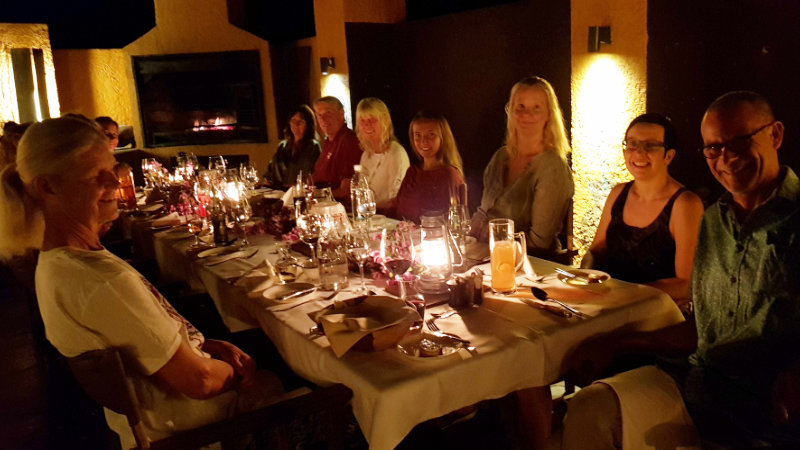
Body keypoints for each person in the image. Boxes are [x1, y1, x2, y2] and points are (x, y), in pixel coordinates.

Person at [0, 116, 284, 449]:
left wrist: (203, 345)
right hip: (199, 431)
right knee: (294, 362)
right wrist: (235, 373)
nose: (114, 181)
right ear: (47, 187)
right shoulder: (97, 281)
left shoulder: (63, 264)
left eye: (111, 168)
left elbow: (143, 341)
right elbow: (201, 381)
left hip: (163, 418)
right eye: (94, 175)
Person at [562, 91, 800, 448]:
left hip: (768, 411)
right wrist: (615, 343)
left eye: (739, 141)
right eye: (714, 148)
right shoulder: (715, 221)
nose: (726, 158)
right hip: (699, 385)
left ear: (776, 135)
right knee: (591, 407)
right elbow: (700, 329)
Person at [582, 114, 704, 302]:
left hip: (656, 312)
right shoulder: (618, 193)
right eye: (632, 145)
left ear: (669, 156)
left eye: (650, 146)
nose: (639, 153)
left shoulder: (685, 204)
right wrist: (584, 275)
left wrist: (624, 293)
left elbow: (685, 284)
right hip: (609, 303)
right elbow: (596, 250)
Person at [470, 76, 574, 258]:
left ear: (549, 114)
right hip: (484, 258)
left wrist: (490, 254)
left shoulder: (552, 167)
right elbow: (482, 213)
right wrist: (465, 243)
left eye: (536, 108)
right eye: (521, 107)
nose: (526, 115)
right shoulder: (501, 156)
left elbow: (539, 243)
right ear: (510, 110)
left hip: (528, 264)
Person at [388, 110, 464, 223]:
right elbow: (395, 208)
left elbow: (452, 221)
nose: (423, 140)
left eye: (431, 135)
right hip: (401, 232)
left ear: (443, 138)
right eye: (418, 135)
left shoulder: (448, 175)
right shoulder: (412, 172)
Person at [354, 97, 409, 204]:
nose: (367, 125)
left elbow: (396, 202)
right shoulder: (366, 155)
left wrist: (369, 207)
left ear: (385, 121)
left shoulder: (396, 154)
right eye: (362, 121)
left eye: (372, 120)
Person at [312, 96, 362, 201]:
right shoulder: (328, 142)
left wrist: (315, 196)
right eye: (319, 115)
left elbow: (346, 191)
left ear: (341, 114)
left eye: (328, 113)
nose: (323, 119)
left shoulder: (349, 141)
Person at [263, 105, 321, 188]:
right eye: (293, 121)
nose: (296, 125)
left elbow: (309, 177)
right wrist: (267, 181)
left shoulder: (313, 147)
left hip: (299, 192)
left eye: (300, 122)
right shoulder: (282, 146)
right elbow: (270, 172)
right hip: (278, 192)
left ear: (308, 125)